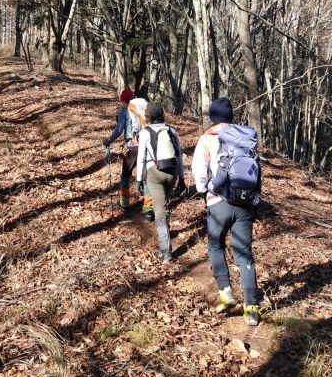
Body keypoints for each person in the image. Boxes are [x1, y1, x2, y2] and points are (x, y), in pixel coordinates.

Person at [191, 97, 260, 326]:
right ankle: (251, 308)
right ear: (230, 117)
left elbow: (199, 170)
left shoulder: (208, 138)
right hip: (245, 203)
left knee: (215, 246)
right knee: (244, 254)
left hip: (218, 202)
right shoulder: (245, 137)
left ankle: (226, 293)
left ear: (212, 117)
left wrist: (203, 190)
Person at [135, 102, 186, 262]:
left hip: (154, 174)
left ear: (148, 117)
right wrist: (182, 178)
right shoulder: (172, 131)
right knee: (164, 206)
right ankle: (166, 235)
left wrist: (138, 179)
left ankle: (165, 251)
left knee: (159, 211)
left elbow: (141, 158)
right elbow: (179, 156)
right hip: (172, 173)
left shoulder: (145, 132)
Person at [102, 88, 154, 220]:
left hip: (132, 148)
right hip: (146, 146)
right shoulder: (144, 109)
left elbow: (119, 130)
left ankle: (124, 203)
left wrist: (108, 140)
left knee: (125, 175)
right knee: (146, 177)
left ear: (124, 101)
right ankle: (148, 208)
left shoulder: (125, 111)